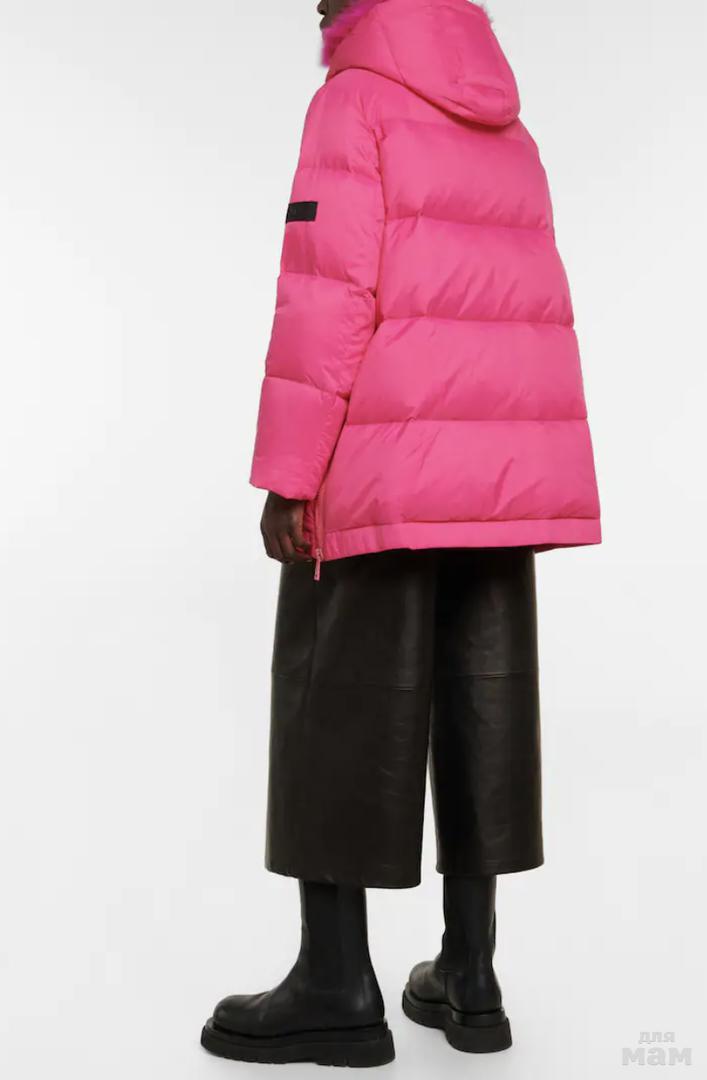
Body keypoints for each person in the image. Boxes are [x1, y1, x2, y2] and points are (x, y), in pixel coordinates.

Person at [201, 0, 601, 1067]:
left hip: (380, 463)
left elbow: (325, 294)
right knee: (482, 697)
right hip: (500, 471)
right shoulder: (503, 117)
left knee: (333, 700)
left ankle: (336, 983)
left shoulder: (355, 102)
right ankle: (470, 974)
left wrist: (290, 476)